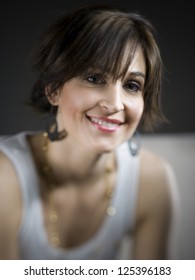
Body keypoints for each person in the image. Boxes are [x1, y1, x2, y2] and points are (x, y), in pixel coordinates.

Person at [0, 4, 177, 260]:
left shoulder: (153, 180)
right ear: (53, 89)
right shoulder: (5, 176)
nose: (115, 104)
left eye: (131, 85)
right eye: (94, 78)